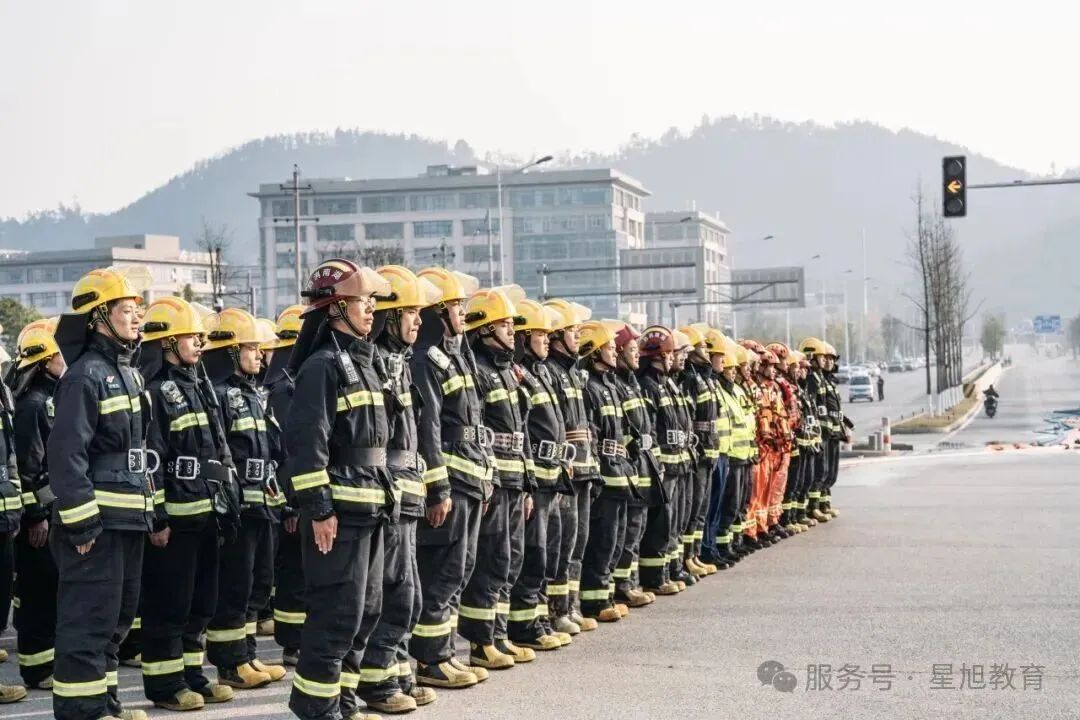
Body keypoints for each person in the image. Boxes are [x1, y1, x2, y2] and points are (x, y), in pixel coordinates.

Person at [283, 258, 395, 720]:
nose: (371, 309)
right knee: (336, 614)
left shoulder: (366, 363)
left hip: (372, 505)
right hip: (341, 512)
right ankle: (316, 707)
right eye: (362, 301)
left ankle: (343, 700)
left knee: (365, 611)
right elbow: (306, 443)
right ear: (335, 308)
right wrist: (319, 508)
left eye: (370, 301)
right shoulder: (322, 367)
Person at [49, 265, 155, 720]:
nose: (137, 317)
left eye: (137, 310)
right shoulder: (84, 376)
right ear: (99, 318)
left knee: (115, 620)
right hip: (97, 526)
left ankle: (105, 704)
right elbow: (66, 453)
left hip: (128, 520)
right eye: (127, 310)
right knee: (88, 622)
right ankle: (82, 711)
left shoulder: (127, 372)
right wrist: (82, 522)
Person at [136, 297, 237, 710]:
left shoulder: (200, 385)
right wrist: (157, 517)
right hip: (175, 521)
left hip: (206, 514)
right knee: (169, 604)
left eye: (200, 336)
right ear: (166, 343)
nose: (199, 343)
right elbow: (151, 459)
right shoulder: (156, 391)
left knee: (201, 603)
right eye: (190, 336)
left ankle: (193, 674)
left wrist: (227, 505)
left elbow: (218, 448)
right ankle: (166, 684)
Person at [354, 265, 441, 713]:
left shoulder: (398, 364)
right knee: (391, 593)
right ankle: (378, 682)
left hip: (407, 494)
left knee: (408, 593)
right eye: (410, 312)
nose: (419, 321)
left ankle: (397, 672)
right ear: (389, 317)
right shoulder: (374, 365)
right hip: (388, 497)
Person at [408, 267, 490, 689]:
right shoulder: (425, 359)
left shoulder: (456, 355)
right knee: (441, 571)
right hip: (451, 482)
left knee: (460, 568)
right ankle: (430, 659)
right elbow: (430, 428)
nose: (463, 312)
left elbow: (474, 424)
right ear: (438, 312)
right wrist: (437, 488)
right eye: (457, 305)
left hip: (470, 479)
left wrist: (486, 479)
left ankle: (444, 653)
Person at [459, 285, 545, 668]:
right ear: (484, 329)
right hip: (494, 484)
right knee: (491, 562)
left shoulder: (510, 373)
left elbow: (521, 432)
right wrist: (487, 480)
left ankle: (499, 635)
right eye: (504, 324)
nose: (512, 331)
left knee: (511, 560)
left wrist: (527, 485)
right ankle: (481, 643)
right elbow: (478, 433)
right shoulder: (478, 371)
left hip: (515, 483)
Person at [201, 308, 286, 690]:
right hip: (239, 509)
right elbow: (217, 455)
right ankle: (230, 662)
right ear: (233, 351)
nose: (261, 355)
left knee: (257, 584)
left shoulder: (255, 393)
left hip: (263, 504)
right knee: (235, 587)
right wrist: (225, 506)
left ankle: (248, 653)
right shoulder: (219, 396)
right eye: (252, 348)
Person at [509, 299, 574, 648]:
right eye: (540, 334)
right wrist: (529, 485)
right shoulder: (520, 375)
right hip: (535, 480)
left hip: (551, 477)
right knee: (532, 553)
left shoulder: (540, 374)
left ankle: (538, 618)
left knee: (548, 552)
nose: (547, 339)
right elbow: (522, 432)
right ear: (523, 337)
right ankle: (524, 626)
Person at [7, 319, 63, 701]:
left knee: (51, 588)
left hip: (53, 513)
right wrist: (38, 516)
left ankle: (49, 662)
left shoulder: (51, 400)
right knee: (38, 590)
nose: (65, 362)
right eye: (59, 356)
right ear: (44, 363)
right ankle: (38, 667)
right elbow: (30, 469)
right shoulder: (33, 405)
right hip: (38, 519)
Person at [540, 299, 599, 635]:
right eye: (573, 331)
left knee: (578, 542)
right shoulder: (549, 371)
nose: (578, 336)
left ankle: (571, 605)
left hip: (584, 468)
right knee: (560, 545)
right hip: (567, 471)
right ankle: (556, 610)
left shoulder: (573, 373)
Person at [577, 319, 637, 622]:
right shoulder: (589, 387)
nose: (615, 352)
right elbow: (592, 435)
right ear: (594, 352)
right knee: (602, 541)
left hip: (619, 472)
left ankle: (607, 594)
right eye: (610, 348)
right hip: (606, 474)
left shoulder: (609, 386)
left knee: (615, 539)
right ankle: (594, 602)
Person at [262, 305, 306, 667]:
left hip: (297, 492)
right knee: (294, 570)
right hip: (291, 495)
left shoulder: (289, 382)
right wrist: (291, 504)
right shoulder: (283, 389)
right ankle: (293, 641)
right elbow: (288, 448)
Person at [608, 321, 660, 608]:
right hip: (627, 467)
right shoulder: (617, 384)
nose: (637, 354)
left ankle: (628, 583)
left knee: (634, 529)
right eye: (631, 349)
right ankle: (621, 587)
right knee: (623, 533)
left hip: (640, 466)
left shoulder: (631, 383)